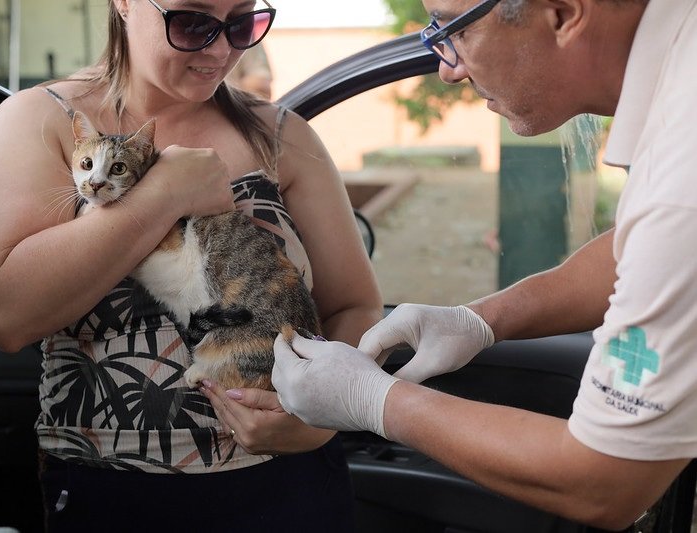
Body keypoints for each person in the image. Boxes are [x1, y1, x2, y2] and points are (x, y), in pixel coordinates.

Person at [267, 0, 697, 530]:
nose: (448, 68)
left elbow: (605, 481)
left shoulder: (685, 170)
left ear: (562, 14)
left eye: (454, 29)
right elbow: (639, 251)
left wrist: (376, 401)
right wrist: (481, 320)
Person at [0, 0, 381, 530]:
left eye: (242, 23)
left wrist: (322, 417)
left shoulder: (282, 136)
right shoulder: (40, 120)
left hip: (288, 484)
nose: (220, 49)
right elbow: (8, 317)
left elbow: (355, 305)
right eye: (191, 21)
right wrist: (161, 193)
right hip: (112, 492)